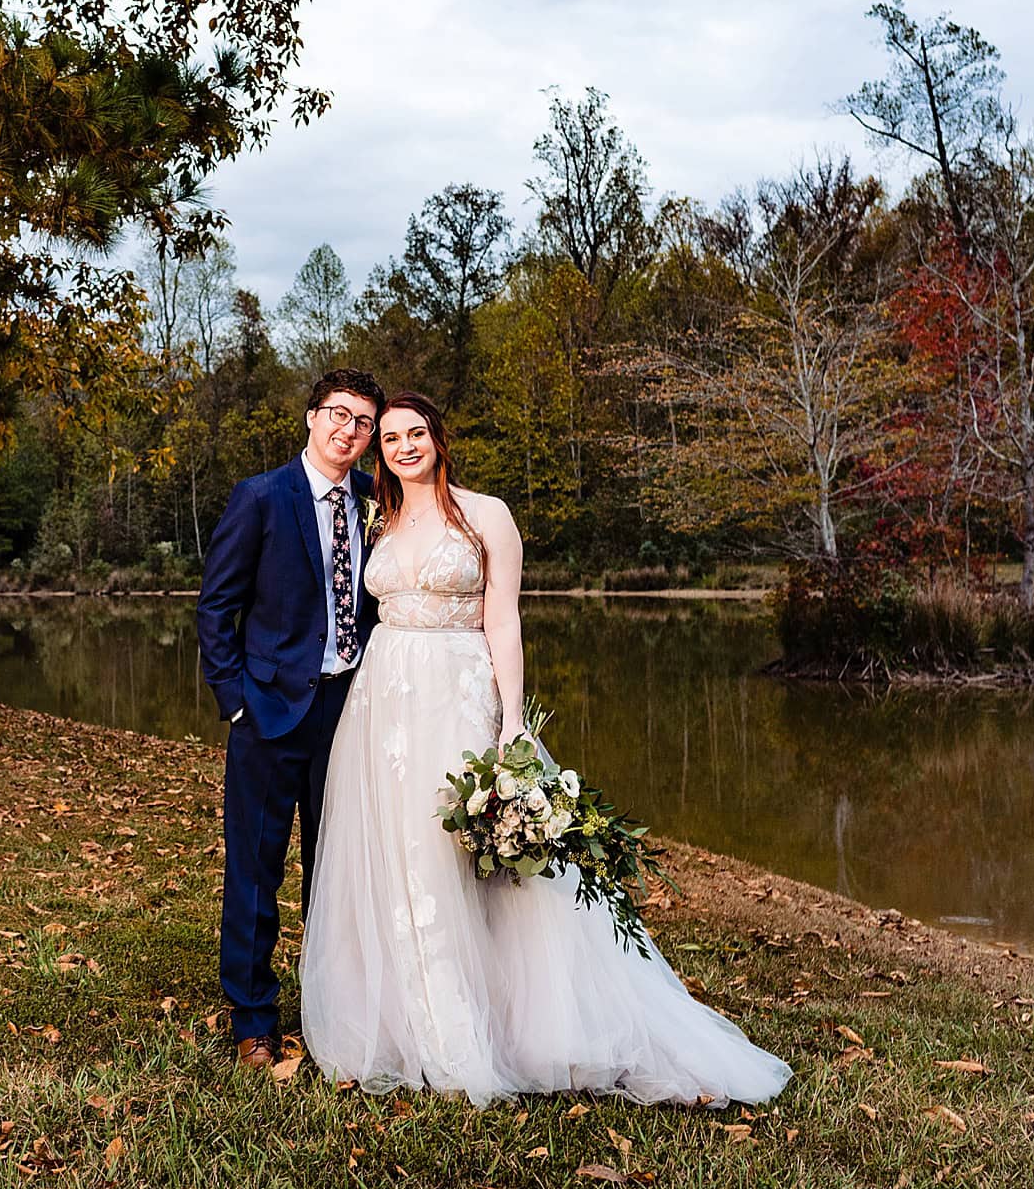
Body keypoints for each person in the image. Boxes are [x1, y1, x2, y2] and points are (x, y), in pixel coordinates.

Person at [300, 392, 793, 1106]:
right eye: (392, 438)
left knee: (468, 857)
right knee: (397, 854)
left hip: (458, 690)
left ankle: (503, 1025)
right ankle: (410, 1020)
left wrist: (510, 722)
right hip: (382, 702)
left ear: (439, 437)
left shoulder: (487, 514)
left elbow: (503, 621)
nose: (403, 446)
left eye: (416, 433)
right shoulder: (380, 516)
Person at [196, 367, 387, 1069]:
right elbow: (216, 608)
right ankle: (253, 1018)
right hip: (270, 711)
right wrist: (236, 698)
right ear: (311, 417)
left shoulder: (374, 499)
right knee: (255, 868)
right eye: (338, 414)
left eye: (363, 422)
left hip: (350, 713)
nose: (349, 431)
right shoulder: (261, 497)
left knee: (339, 869)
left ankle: (332, 1007)